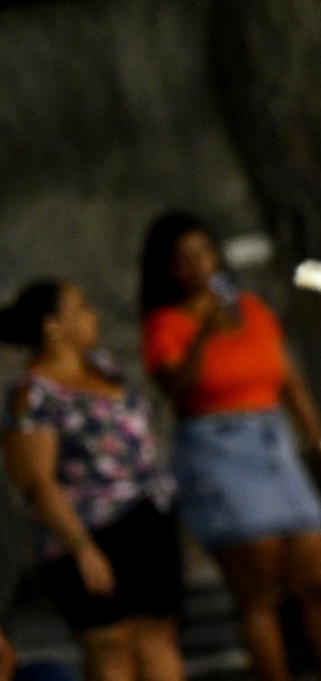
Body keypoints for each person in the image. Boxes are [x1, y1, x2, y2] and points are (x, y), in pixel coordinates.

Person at [138, 212, 321, 681]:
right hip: (218, 452)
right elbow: (177, 388)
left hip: (274, 445)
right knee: (259, 592)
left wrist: (319, 440)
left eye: (205, 253)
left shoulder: (251, 309)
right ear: (167, 270)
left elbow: (288, 379)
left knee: (317, 581)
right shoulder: (166, 325)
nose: (199, 266)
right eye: (184, 259)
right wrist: (203, 335)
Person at [0, 281, 185, 681]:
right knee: (112, 642)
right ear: (53, 325)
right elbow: (34, 480)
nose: (92, 316)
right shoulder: (33, 394)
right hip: (90, 530)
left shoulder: (102, 367)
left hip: (146, 516)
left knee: (158, 633)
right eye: (80, 308)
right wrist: (81, 548)